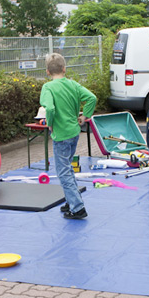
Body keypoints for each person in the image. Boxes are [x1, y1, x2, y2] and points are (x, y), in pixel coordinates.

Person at [40, 53, 97, 220]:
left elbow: (49, 109)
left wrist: (50, 123)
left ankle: (77, 207)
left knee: (63, 171)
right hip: (74, 132)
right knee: (67, 167)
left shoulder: (48, 88)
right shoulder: (73, 84)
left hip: (61, 135)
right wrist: (84, 116)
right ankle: (70, 201)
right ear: (64, 69)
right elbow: (91, 98)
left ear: (47, 72)